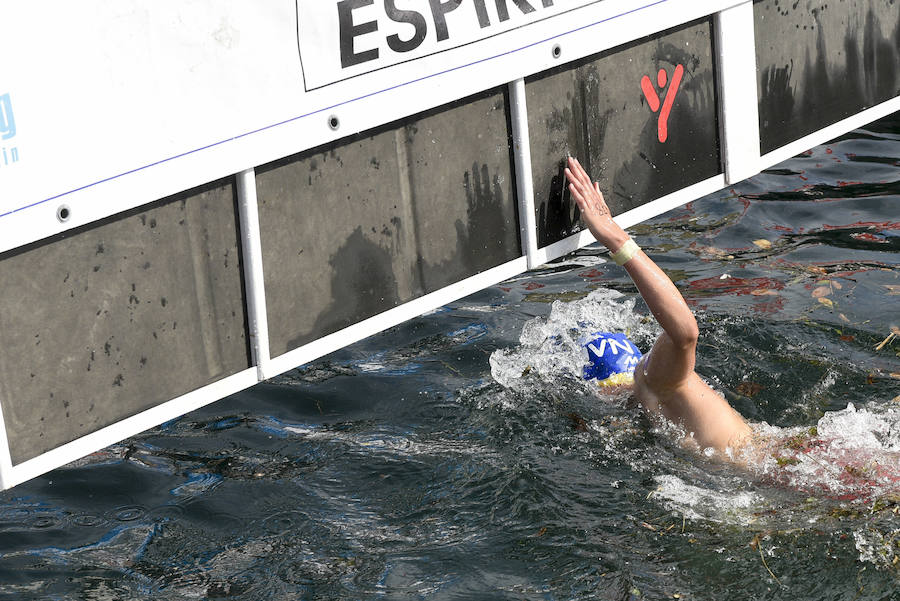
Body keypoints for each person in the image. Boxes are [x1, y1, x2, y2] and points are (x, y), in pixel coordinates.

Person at [564, 157, 751, 454]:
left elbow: (685, 334)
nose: (606, 395)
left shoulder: (654, 379)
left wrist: (615, 238)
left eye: (604, 388)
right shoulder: (649, 411)